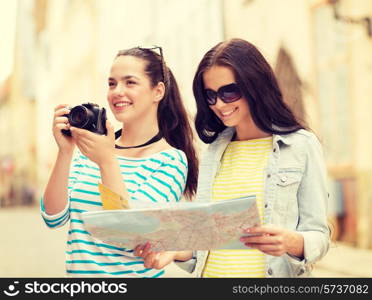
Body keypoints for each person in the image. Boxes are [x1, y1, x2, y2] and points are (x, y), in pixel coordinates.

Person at [136, 38, 330, 278]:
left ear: (254, 86)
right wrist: (175, 251)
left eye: (229, 92)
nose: (218, 104)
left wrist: (293, 242)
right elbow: (205, 242)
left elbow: (320, 237)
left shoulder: (300, 145)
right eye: (210, 95)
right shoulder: (214, 152)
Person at [41, 46, 198, 277]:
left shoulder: (170, 160)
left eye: (130, 82)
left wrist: (107, 161)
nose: (117, 91)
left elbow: (132, 235)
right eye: (112, 83)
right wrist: (65, 152)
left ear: (158, 91)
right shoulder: (91, 151)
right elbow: (53, 218)